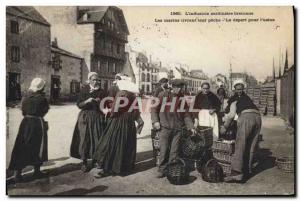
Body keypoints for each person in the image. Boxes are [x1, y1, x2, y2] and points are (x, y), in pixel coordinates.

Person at [93, 76, 144, 177]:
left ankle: (107, 169)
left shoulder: (121, 93)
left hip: (118, 122)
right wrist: (138, 122)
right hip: (129, 123)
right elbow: (136, 111)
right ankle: (124, 167)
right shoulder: (133, 96)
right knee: (126, 145)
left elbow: (115, 110)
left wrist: (108, 112)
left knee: (110, 144)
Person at [151, 79, 195, 178]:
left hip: (177, 128)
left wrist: (191, 126)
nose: (179, 90)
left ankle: (172, 169)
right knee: (164, 149)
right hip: (165, 127)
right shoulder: (163, 95)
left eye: (181, 88)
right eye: (177, 87)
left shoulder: (182, 99)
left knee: (174, 151)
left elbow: (186, 115)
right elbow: (154, 109)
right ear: (172, 87)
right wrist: (155, 121)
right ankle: (162, 169)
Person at [220, 79, 262, 182]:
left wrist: (224, 128)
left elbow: (231, 115)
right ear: (235, 89)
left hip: (246, 117)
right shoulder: (247, 98)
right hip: (258, 117)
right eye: (238, 89)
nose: (239, 91)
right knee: (251, 144)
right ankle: (247, 171)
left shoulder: (233, 99)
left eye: (240, 89)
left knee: (240, 144)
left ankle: (236, 173)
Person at [8, 78, 49, 182]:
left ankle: (17, 174)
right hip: (37, 124)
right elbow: (45, 110)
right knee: (38, 145)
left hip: (26, 123)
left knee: (21, 145)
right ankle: (36, 171)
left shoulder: (25, 97)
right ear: (41, 87)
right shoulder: (42, 98)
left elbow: (23, 111)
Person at [70, 72, 107, 172]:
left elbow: (107, 104)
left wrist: (101, 102)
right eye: (94, 80)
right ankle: (84, 162)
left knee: (97, 138)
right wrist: (87, 101)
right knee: (84, 139)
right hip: (85, 117)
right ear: (89, 80)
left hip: (97, 117)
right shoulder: (84, 90)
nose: (96, 82)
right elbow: (79, 104)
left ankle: (96, 160)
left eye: (97, 80)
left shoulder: (102, 91)